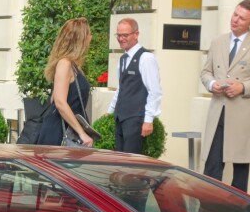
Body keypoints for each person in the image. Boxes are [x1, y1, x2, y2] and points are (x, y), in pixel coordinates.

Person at [199, 0, 250, 191]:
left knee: (240, 172)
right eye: (235, 15)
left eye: (242, 18)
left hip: (242, 116)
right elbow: (205, 72)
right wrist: (212, 83)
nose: (236, 20)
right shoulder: (217, 42)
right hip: (218, 113)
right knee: (211, 168)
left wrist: (243, 87)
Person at [106, 17, 162, 154]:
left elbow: (154, 91)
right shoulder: (123, 59)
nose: (121, 39)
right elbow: (121, 88)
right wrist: (110, 112)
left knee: (131, 163)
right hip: (120, 117)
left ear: (136, 34)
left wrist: (148, 120)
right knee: (120, 160)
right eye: (118, 35)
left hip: (136, 119)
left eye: (125, 35)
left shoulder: (146, 58)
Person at [38, 18, 96, 146]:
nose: (91, 37)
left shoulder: (72, 65)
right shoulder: (65, 64)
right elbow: (59, 102)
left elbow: (55, 98)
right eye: (89, 34)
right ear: (82, 38)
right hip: (60, 132)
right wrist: (82, 133)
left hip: (66, 129)